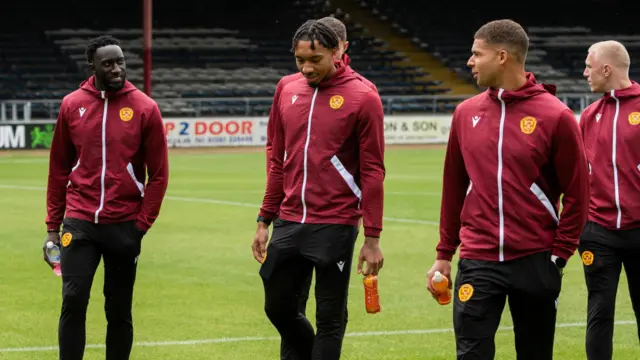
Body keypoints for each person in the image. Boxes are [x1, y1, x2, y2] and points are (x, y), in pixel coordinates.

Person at [425, 19, 590, 360]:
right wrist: (444, 255)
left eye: (476, 54)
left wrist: (559, 254)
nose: (469, 62)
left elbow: (578, 193)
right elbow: (453, 187)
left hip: (535, 259)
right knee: (471, 353)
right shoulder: (464, 113)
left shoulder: (556, 116)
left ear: (502, 56)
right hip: (478, 258)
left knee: (534, 353)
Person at [252, 19, 385, 360]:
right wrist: (265, 218)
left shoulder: (363, 96)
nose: (307, 68)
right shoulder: (286, 88)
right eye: (300, 60)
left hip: (335, 223)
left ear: (337, 52)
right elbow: (276, 158)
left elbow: (373, 170)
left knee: (329, 317)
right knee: (279, 307)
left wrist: (372, 237)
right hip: (289, 219)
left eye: (315, 60)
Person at [43, 35, 169, 360]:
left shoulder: (145, 108)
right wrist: (52, 227)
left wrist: (141, 226)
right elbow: (58, 168)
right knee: (73, 299)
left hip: (124, 225)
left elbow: (159, 175)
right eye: (108, 63)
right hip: (79, 221)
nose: (117, 69)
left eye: (120, 62)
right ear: (93, 66)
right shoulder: (72, 104)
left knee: (119, 309)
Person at [579, 40, 640, 360]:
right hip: (598, 233)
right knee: (599, 312)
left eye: (589, 65)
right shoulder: (588, 116)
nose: (585, 72)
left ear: (607, 68)